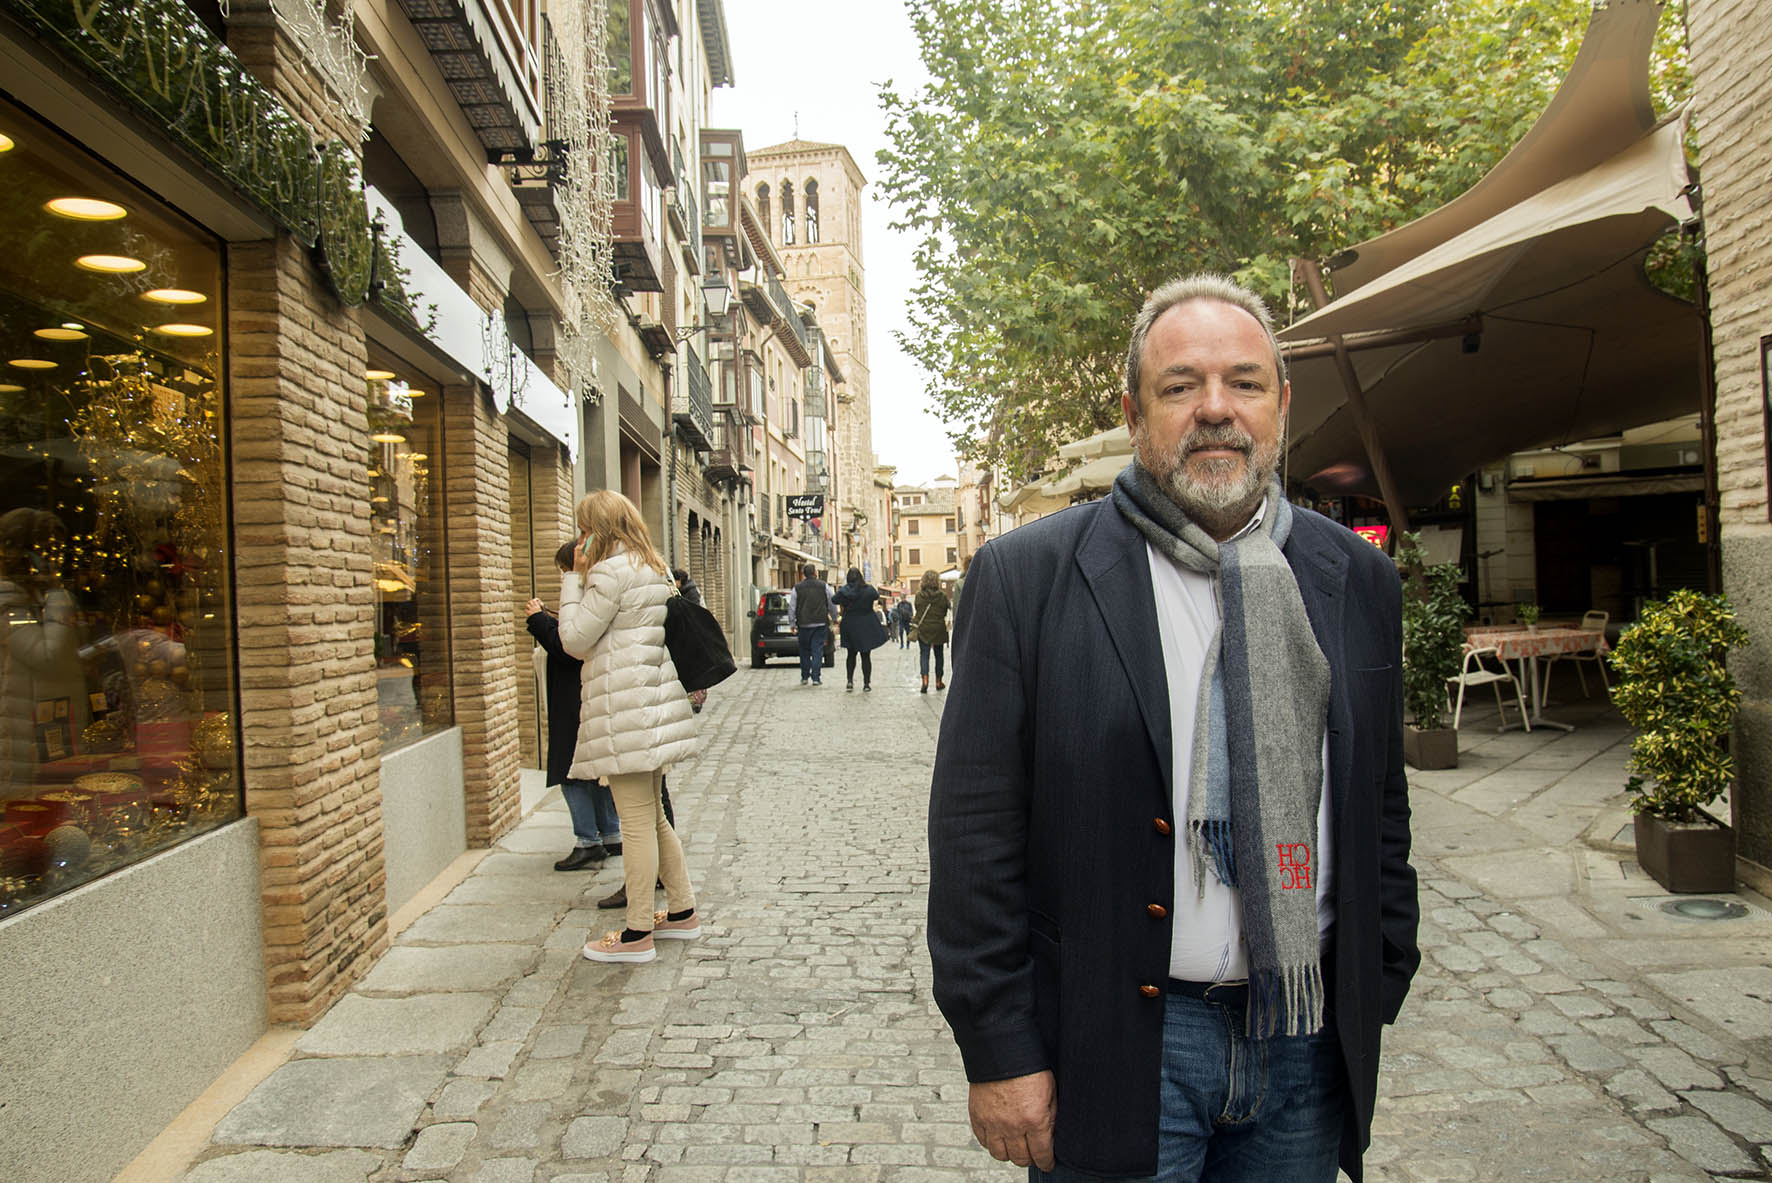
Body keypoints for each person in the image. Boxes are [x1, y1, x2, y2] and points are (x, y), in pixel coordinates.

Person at [926, 274, 1419, 1183]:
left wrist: (1381, 969)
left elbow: (1377, 800)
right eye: (1181, 385)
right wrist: (1000, 1048)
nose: (1216, 409)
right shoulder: (1027, 579)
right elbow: (973, 836)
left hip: (1304, 1045)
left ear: (1282, 403)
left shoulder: (1355, 578)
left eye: (1245, 382)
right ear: (1135, 411)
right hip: (1118, 1046)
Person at [559, 490, 702, 964]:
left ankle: (637, 932)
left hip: (625, 712)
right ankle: (681, 913)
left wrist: (569, 580)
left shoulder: (606, 572)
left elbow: (575, 639)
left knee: (637, 823)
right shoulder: (653, 566)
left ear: (596, 531)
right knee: (655, 817)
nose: (579, 537)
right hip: (652, 708)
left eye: (583, 528)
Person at [526, 542, 620, 871]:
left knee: (573, 768)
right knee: (597, 769)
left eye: (563, 569)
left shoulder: (587, 592)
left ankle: (588, 840)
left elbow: (570, 645)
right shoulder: (600, 590)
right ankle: (610, 833)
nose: (562, 575)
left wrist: (538, 620)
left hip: (576, 696)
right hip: (588, 692)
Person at [832, 566, 888, 691]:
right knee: (865, 655)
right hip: (865, 624)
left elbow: (834, 600)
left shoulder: (844, 591)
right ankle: (866, 683)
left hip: (850, 624)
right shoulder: (868, 589)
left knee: (851, 655)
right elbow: (876, 595)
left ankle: (850, 681)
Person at [787, 561, 834, 686]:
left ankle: (804, 676)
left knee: (804, 651)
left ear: (804, 575)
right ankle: (816, 678)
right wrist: (834, 618)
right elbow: (831, 602)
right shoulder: (824, 586)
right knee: (817, 650)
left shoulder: (797, 588)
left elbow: (792, 607)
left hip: (803, 624)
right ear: (815, 573)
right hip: (820, 623)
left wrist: (792, 624)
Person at [912, 569, 950, 693]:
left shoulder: (919, 596)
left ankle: (925, 681)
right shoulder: (942, 596)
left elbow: (917, 609)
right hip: (938, 628)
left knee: (924, 655)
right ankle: (938, 682)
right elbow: (945, 611)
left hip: (924, 629)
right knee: (939, 656)